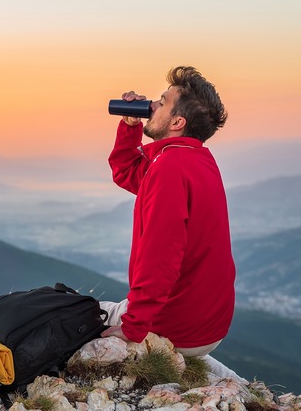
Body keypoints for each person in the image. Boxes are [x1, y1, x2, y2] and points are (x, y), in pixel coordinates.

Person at [100, 65, 244, 382]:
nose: (151, 105)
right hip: (208, 325)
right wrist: (129, 126)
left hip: (180, 328)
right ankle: (219, 377)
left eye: (161, 102)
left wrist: (133, 327)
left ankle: (197, 367)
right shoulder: (195, 160)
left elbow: (160, 257)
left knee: (84, 313)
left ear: (177, 122)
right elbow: (126, 172)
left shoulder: (170, 169)